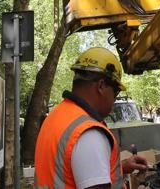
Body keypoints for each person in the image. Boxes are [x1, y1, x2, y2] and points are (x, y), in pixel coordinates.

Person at [34, 47, 148, 189]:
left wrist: (121, 167)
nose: (114, 99)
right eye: (116, 91)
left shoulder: (56, 117)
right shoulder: (89, 133)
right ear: (101, 86)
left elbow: (67, 172)